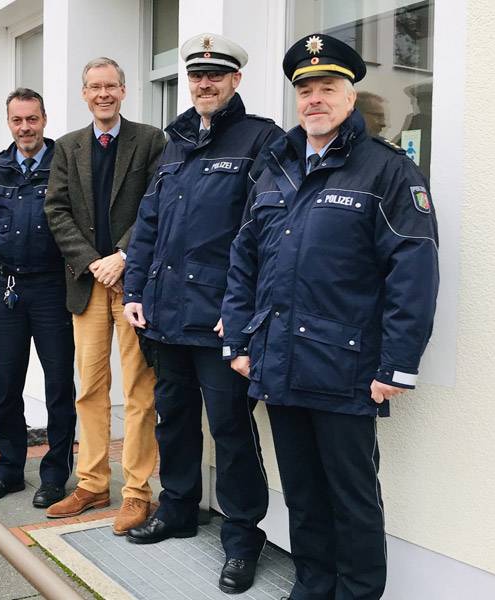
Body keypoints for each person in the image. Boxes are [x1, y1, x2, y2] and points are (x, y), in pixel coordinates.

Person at [220, 33, 439, 600]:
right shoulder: (277, 170)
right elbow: (243, 261)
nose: (315, 99)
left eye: (328, 88)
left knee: (352, 495)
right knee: (301, 492)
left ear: (350, 96)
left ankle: (359, 592)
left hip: (345, 367)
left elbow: (413, 274)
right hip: (279, 363)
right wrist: (240, 343)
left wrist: (397, 365)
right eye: (306, 90)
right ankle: (312, 584)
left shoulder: (386, 171)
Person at [121, 33, 283, 594]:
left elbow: (269, 233)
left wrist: (240, 309)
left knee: (233, 430)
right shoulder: (176, 143)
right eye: (197, 75)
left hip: (219, 320)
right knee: (174, 420)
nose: (205, 84)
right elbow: (148, 226)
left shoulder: (262, 139)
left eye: (216, 74)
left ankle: (242, 537)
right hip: (165, 317)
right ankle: (179, 508)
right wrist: (134, 291)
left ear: (236, 79)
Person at [43, 57, 166, 534]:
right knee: (91, 389)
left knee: (139, 390)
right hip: (88, 284)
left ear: (124, 88)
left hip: (134, 284)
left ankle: (137, 492)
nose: (103, 94)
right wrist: (94, 260)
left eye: (110, 86)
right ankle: (93, 482)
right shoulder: (69, 147)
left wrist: (123, 255)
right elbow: (56, 209)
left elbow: (156, 204)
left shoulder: (151, 140)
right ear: (84, 93)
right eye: (94, 87)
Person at [0, 88, 76, 507]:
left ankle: (55, 474)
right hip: (7, 290)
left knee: (58, 386)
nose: (25, 128)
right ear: (9, 122)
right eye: (17, 120)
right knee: (7, 384)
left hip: (54, 288)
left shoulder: (64, 163)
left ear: (45, 119)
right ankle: (10, 469)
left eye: (32, 119)